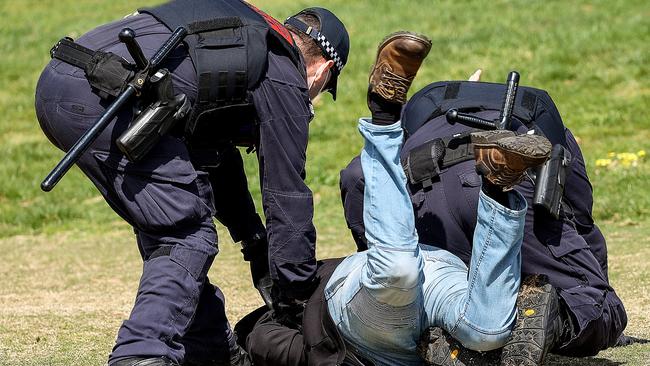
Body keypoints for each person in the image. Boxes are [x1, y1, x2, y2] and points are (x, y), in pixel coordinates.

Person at [34, 1, 349, 365]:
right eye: (323, 91)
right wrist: (296, 295)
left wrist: (254, 242)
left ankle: (211, 349)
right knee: (185, 234)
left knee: (171, 218)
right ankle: (142, 353)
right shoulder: (282, 73)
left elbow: (215, 157)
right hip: (101, 99)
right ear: (323, 72)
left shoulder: (239, 41)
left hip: (62, 79)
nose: (316, 98)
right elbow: (286, 193)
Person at [235, 32, 560, 366]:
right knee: (487, 331)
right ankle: (496, 188)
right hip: (438, 280)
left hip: (369, 299)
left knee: (396, 272)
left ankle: (385, 114)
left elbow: (267, 341)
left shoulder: (271, 334)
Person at [339, 75, 628, 361]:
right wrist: (593, 289)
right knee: (598, 305)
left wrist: (376, 263)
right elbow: (581, 219)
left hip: (419, 193)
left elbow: (357, 178)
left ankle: (447, 333)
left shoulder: (420, 116)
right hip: (507, 182)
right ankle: (546, 320)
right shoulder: (544, 120)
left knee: (438, 288)